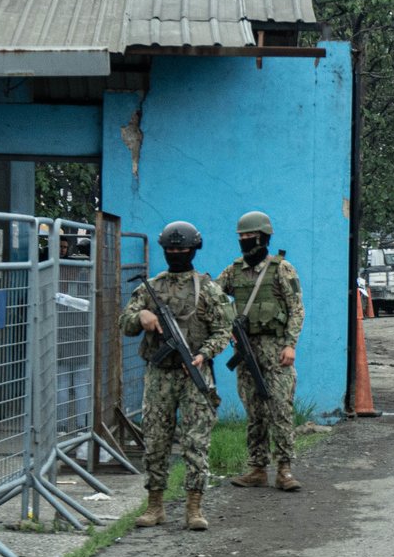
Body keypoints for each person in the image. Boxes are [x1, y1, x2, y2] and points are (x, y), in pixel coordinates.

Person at [121, 221, 233, 531]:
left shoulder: (208, 289)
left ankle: (194, 508)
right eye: (170, 249)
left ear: (194, 250)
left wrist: (204, 354)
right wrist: (140, 316)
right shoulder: (151, 287)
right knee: (156, 439)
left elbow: (223, 330)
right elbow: (125, 322)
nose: (175, 253)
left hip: (194, 373)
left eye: (181, 249)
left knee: (196, 441)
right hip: (160, 375)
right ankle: (155, 505)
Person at [217, 210, 306, 492]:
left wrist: (290, 344)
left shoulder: (281, 269)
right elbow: (213, 296)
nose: (245, 240)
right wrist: (227, 325)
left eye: (250, 236)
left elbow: (296, 309)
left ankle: (284, 470)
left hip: (276, 350)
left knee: (280, 409)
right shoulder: (233, 271)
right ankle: (257, 468)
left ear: (264, 237)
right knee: (254, 411)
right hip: (246, 351)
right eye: (242, 236)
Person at [56, 234, 93, 434]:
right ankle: (82, 425)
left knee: (62, 383)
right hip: (82, 336)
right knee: (81, 384)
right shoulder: (87, 281)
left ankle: (61, 425)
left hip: (61, 335)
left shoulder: (56, 278)